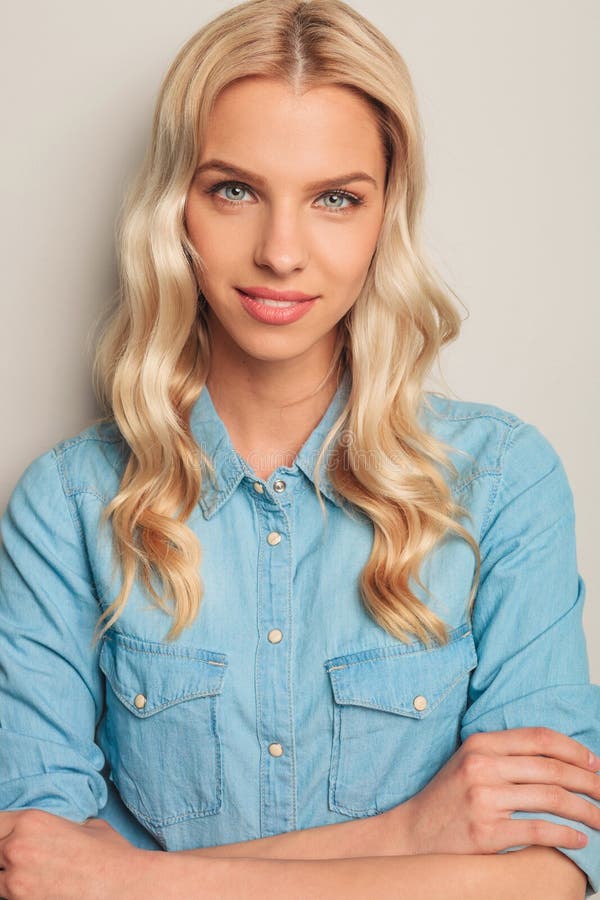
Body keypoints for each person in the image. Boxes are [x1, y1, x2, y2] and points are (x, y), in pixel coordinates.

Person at [0, 0, 598, 897]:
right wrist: (406, 836)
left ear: (385, 215)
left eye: (335, 199)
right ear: (176, 209)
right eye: (233, 189)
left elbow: (551, 869)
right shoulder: (68, 505)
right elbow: (37, 869)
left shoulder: (503, 482)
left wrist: (132, 880)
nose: (282, 252)